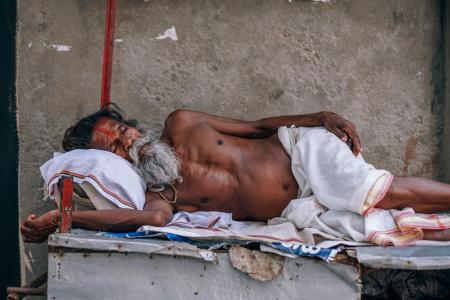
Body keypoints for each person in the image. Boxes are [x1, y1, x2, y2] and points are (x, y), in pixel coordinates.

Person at [21, 106, 450, 243]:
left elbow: (259, 127)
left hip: (302, 155)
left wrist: (318, 116)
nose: (126, 143)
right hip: (301, 205)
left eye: (121, 132)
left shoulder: (183, 122)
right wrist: (66, 219)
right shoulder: (163, 192)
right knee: (387, 225)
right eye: (114, 149)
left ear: (131, 124)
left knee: (377, 194)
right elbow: (150, 221)